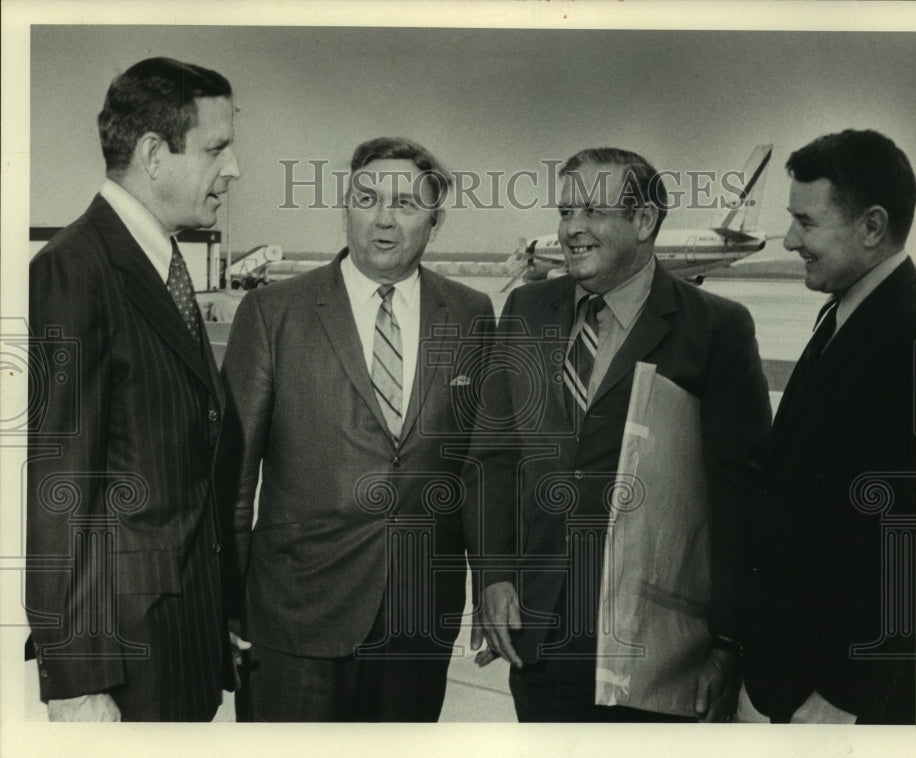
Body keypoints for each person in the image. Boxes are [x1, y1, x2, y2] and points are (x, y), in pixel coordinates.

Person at [471, 147, 771, 722]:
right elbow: (492, 459)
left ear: (644, 221)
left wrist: (729, 645)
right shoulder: (526, 310)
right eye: (565, 212)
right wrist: (493, 576)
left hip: (658, 648)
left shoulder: (717, 328)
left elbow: (742, 501)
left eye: (592, 211)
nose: (571, 229)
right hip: (539, 637)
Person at [217, 137, 495, 721]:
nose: (384, 218)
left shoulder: (471, 315)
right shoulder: (273, 313)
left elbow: (478, 469)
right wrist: (222, 598)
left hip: (418, 621)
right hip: (294, 617)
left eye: (406, 203)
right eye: (367, 197)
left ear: (435, 223)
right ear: (346, 207)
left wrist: (492, 582)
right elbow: (232, 480)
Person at [27, 56, 241, 721]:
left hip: (180, 641)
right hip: (121, 663)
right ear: (153, 153)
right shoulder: (74, 269)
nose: (233, 170)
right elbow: (59, 488)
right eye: (217, 149)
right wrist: (79, 681)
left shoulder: (162, 262)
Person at [743, 129, 916, 724]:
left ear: (872, 227)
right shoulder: (853, 312)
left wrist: (843, 698)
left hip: (840, 698)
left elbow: (911, 543)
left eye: (807, 222)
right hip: (797, 673)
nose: (791, 240)